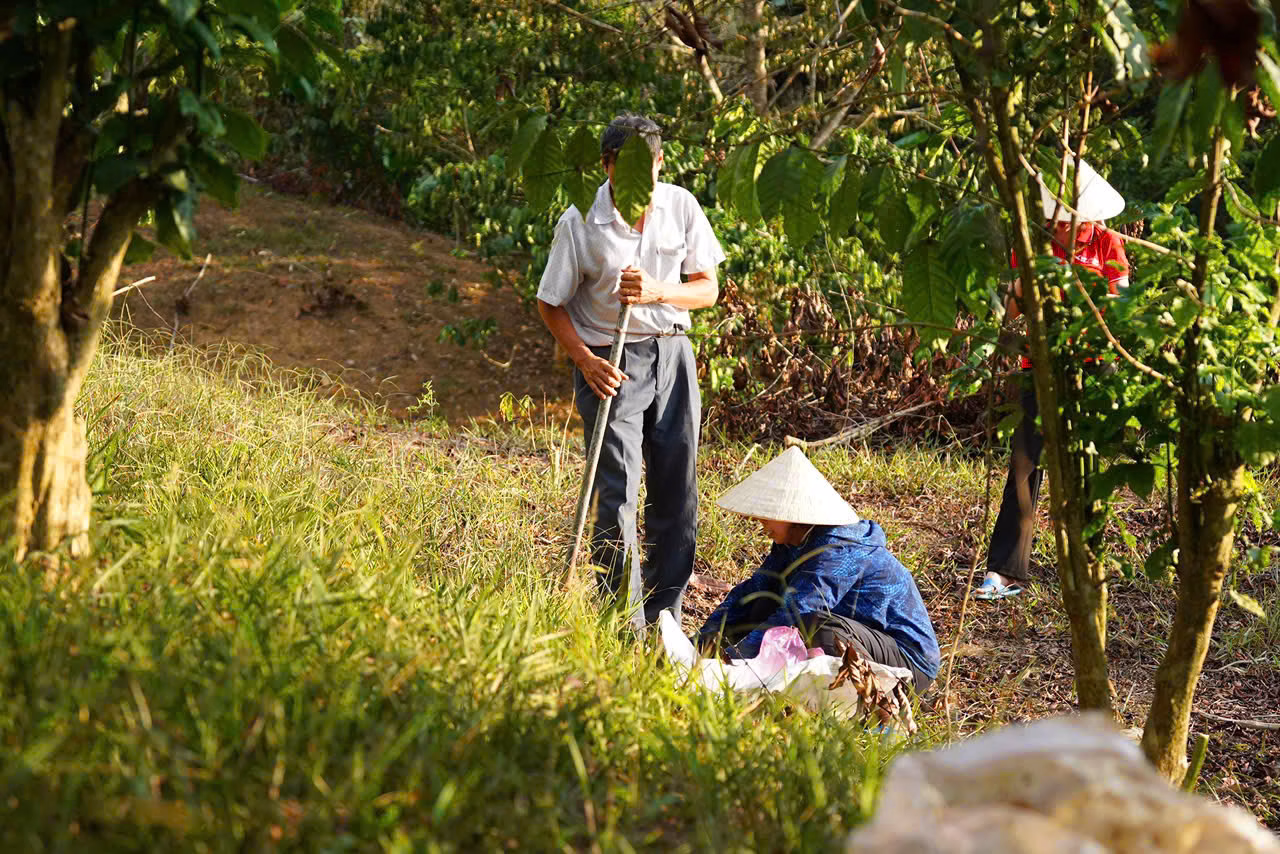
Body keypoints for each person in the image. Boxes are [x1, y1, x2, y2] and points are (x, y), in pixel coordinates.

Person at [537, 113, 726, 627]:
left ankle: (665, 615)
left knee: (677, 488)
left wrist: (660, 291)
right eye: (633, 165)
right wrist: (584, 360)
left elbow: (707, 289)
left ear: (662, 162)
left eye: (654, 163)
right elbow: (550, 303)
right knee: (616, 490)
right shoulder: (579, 220)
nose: (647, 175)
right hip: (610, 362)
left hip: (674, 354)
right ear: (607, 165)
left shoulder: (680, 205)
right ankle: (624, 622)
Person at [976, 159, 1130, 600]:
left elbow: (1121, 307)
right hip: (1041, 367)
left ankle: (1084, 566)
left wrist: (1085, 303)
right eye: (1052, 220)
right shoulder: (1033, 244)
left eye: (1064, 222)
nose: (1057, 227)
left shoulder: (1107, 244)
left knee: (1085, 466)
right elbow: (1011, 309)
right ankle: (1006, 571)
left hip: (1091, 365)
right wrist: (1018, 295)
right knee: (1024, 466)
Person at [696, 447, 940, 695]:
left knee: (815, 626)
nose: (760, 524)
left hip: (909, 663)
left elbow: (799, 612)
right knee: (760, 600)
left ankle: (867, 703)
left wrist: (736, 663)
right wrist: (703, 642)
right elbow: (755, 589)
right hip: (861, 637)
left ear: (790, 513)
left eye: (766, 517)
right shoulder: (792, 541)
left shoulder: (840, 550)